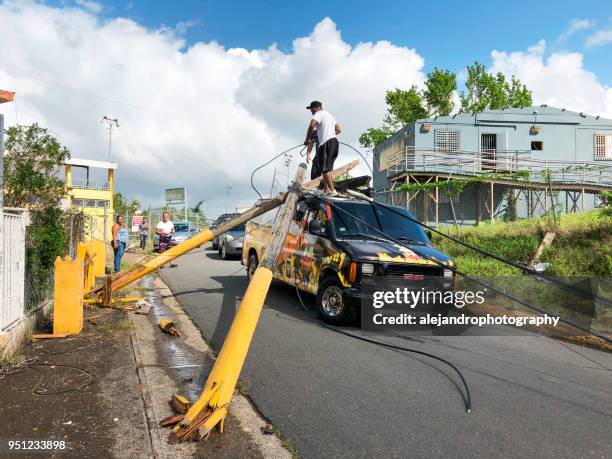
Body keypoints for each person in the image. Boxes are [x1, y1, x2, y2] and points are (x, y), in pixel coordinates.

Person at [304, 101, 341, 195]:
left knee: (325, 169)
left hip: (327, 143)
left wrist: (307, 140)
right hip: (334, 143)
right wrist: (329, 134)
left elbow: (311, 125)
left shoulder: (319, 114)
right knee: (325, 168)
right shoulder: (330, 116)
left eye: (311, 109)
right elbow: (339, 130)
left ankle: (332, 191)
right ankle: (323, 190)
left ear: (316, 108)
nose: (311, 112)